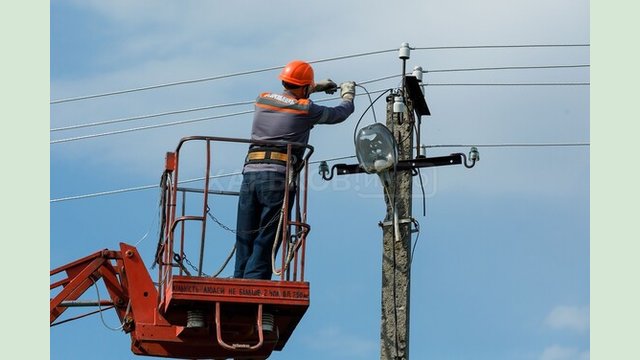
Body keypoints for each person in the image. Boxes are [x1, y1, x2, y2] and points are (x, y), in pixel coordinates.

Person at [234, 60, 356, 280]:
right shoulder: (306, 109)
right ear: (304, 87)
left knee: (245, 232)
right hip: (277, 177)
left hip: (249, 175)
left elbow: (289, 96)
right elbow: (339, 113)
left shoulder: (262, 99)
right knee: (267, 234)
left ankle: (239, 277)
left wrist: (316, 86)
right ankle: (254, 282)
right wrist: (348, 95)